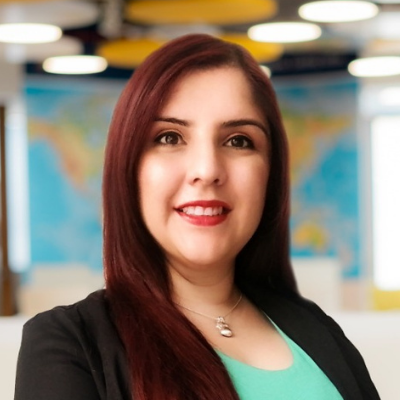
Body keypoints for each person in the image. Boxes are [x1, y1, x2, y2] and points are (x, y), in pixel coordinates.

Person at [14, 34, 379, 400]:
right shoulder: (69, 345)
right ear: (129, 168)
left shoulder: (318, 330)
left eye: (238, 140)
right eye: (170, 137)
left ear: (270, 174)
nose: (206, 170)